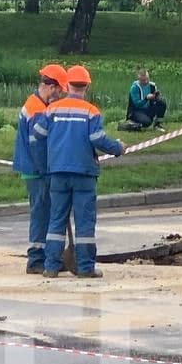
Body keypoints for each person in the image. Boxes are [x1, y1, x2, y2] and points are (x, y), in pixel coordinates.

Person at [31, 64, 124, 279]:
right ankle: (85, 267)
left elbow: (37, 134)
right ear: (87, 87)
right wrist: (118, 148)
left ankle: (51, 267)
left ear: (67, 86)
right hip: (84, 173)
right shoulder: (91, 111)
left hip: (58, 173)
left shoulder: (52, 109)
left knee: (56, 221)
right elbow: (97, 139)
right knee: (84, 223)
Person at [12, 63, 67, 274]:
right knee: (41, 214)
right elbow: (38, 146)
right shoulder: (36, 109)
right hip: (37, 171)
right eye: (59, 91)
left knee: (42, 213)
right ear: (51, 87)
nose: (59, 95)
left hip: (32, 168)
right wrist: (47, 170)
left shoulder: (35, 103)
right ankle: (36, 260)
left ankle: (43, 257)